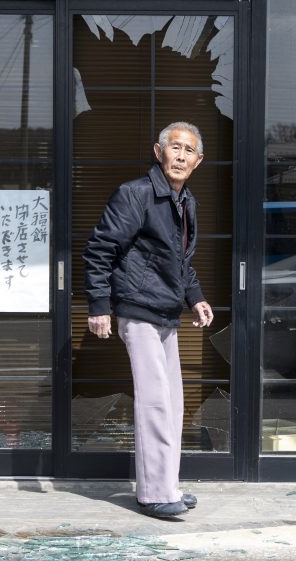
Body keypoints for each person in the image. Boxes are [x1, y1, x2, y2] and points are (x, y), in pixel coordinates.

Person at [83, 122, 214, 518]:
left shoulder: (186, 202)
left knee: (173, 404)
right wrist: (99, 305)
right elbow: (100, 248)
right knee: (155, 403)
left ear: (198, 161)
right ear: (158, 153)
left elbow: (181, 262)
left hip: (165, 314)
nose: (180, 155)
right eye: (173, 147)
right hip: (137, 311)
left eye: (188, 150)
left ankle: (166, 483)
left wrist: (197, 298)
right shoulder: (135, 194)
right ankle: (155, 493)